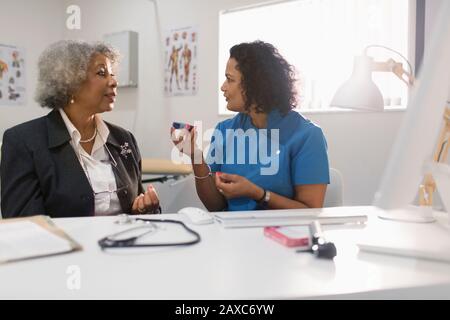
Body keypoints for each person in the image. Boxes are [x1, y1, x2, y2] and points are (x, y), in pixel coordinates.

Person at [0, 40, 160, 218]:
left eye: (112, 74)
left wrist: (141, 209)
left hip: (123, 244)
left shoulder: (124, 139)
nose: (114, 81)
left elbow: (138, 207)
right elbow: (23, 224)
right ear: (70, 83)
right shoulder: (23, 141)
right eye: (101, 73)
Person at [172, 41, 329, 211]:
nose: (223, 87)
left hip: (281, 235)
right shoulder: (224, 130)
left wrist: (258, 194)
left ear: (255, 85)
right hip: (231, 233)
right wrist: (196, 156)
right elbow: (215, 206)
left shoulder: (307, 136)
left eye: (230, 80)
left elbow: (310, 212)